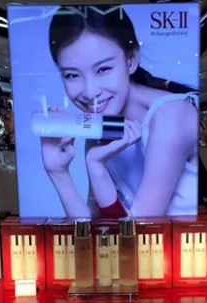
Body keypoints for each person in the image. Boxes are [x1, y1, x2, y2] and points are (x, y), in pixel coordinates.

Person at [40, 5, 198, 218]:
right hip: (136, 241)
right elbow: (95, 225)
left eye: (103, 69)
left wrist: (96, 167)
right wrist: (58, 172)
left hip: (182, 239)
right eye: (72, 75)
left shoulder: (172, 115)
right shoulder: (101, 126)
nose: (90, 92)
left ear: (131, 59)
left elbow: (139, 229)